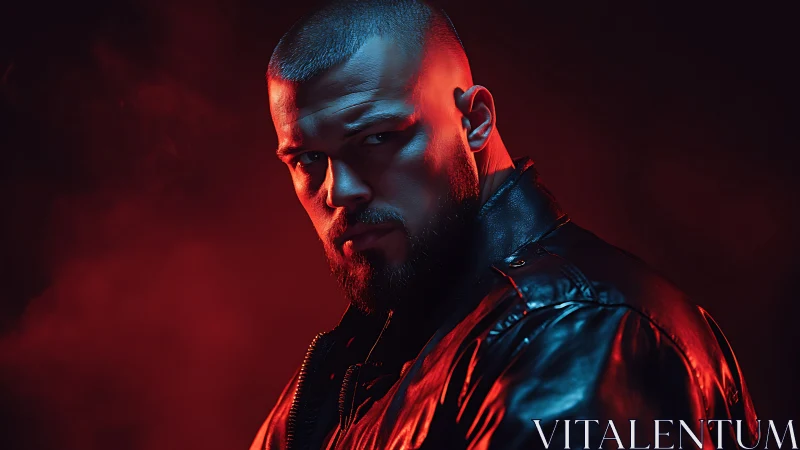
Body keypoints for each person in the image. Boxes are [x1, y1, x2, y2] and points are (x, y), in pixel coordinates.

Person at [251, 1, 758, 449]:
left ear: (474, 122)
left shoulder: (578, 331)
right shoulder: (351, 369)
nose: (339, 191)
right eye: (307, 159)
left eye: (378, 138)